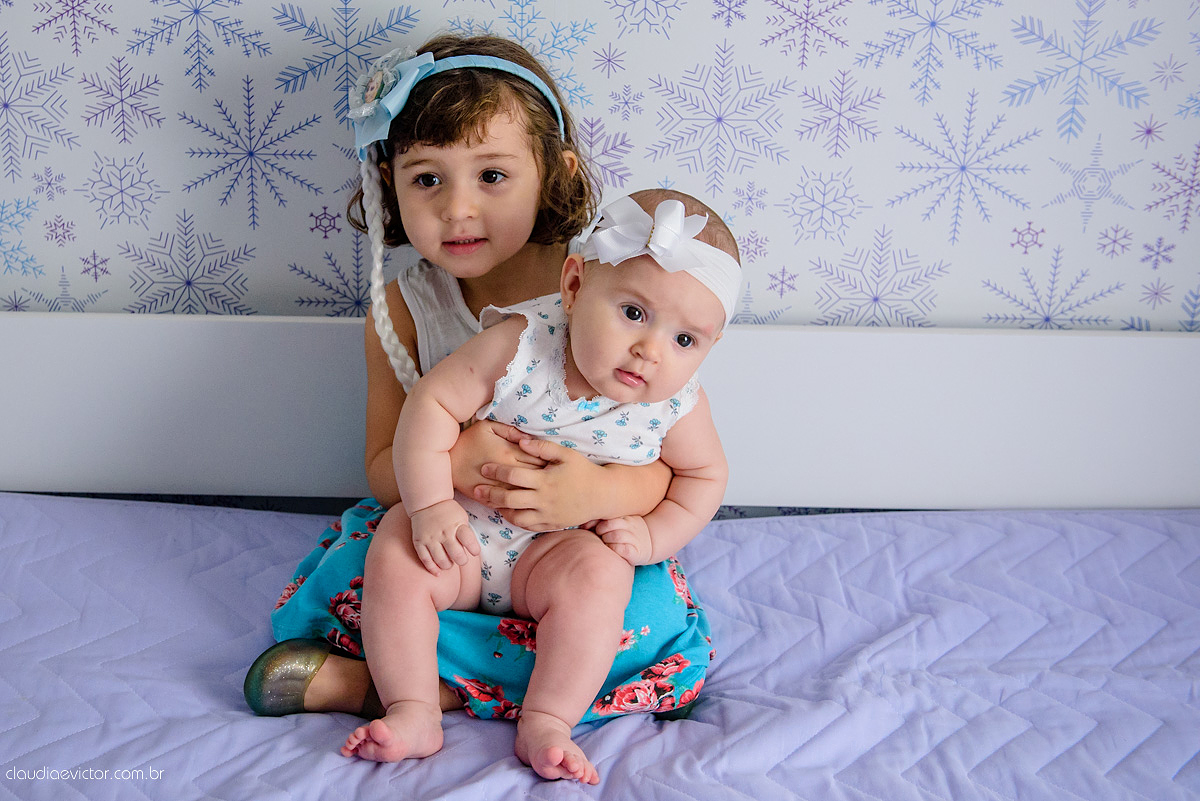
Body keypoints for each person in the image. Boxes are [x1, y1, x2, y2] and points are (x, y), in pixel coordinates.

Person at [244, 35, 712, 743]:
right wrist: (452, 468)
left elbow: (672, 463)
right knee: (378, 560)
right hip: (453, 535)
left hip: (571, 544)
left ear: (554, 175)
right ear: (389, 185)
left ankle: (401, 686)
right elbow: (379, 467)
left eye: (491, 175)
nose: (458, 209)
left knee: (631, 601)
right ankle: (423, 699)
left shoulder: (613, 293)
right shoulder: (403, 309)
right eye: (427, 179)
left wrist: (597, 492)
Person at [340, 188, 740, 784]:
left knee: (602, 580)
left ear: (709, 345)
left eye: (685, 340)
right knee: (396, 547)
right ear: (575, 286)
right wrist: (428, 509)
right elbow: (431, 404)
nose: (650, 350)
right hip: (464, 533)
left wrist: (653, 537)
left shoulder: (676, 403)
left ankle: (548, 719)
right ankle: (414, 709)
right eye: (633, 313)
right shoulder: (523, 341)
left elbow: (705, 476)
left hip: (557, 552)